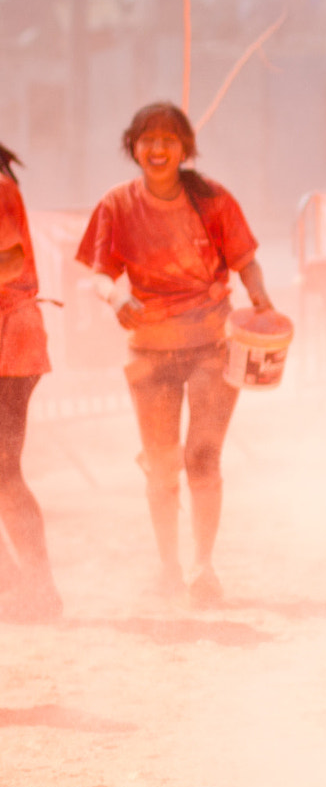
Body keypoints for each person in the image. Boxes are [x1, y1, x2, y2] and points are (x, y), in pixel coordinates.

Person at [76, 102, 275, 605]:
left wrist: (262, 303)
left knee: (203, 458)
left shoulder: (213, 200)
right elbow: (99, 273)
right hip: (150, 349)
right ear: (132, 147)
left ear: (185, 147)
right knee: (163, 466)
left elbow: (246, 261)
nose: (158, 148)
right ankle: (168, 568)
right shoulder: (116, 205)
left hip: (212, 343)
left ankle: (202, 568)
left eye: (168, 138)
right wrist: (116, 296)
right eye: (147, 139)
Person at [0, 142, 62, 621]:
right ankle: (19, 587)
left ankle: (37, 589)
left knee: (4, 471)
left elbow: (10, 263)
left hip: (10, 340)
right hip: (13, 339)